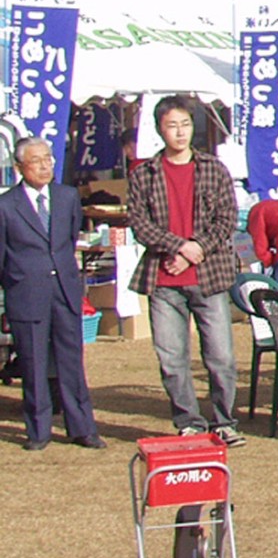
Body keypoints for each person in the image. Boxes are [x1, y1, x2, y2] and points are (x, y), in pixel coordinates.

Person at [125, 96, 243, 444]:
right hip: (163, 278)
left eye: (185, 125)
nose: (179, 132)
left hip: (209, 276)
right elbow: (139, 224)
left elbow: (226, 219)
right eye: (172, 125)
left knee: (221, 355)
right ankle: (188, 419)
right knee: (171, 357)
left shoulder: (213, 168)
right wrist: (178, 247)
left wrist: (195, 251)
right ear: (160, 129)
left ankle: (225, 420)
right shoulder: (144, 173)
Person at [0, 138, 103, 450]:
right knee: (32, 363)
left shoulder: (67, 197)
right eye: (36, 161)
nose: (45, 166)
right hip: (26, 292)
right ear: (20, 168)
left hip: (64, 290)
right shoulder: (6, 206)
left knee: (71, 360)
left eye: (48, 159)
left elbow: (70, 238)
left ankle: (82, 427)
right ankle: (38, 430)